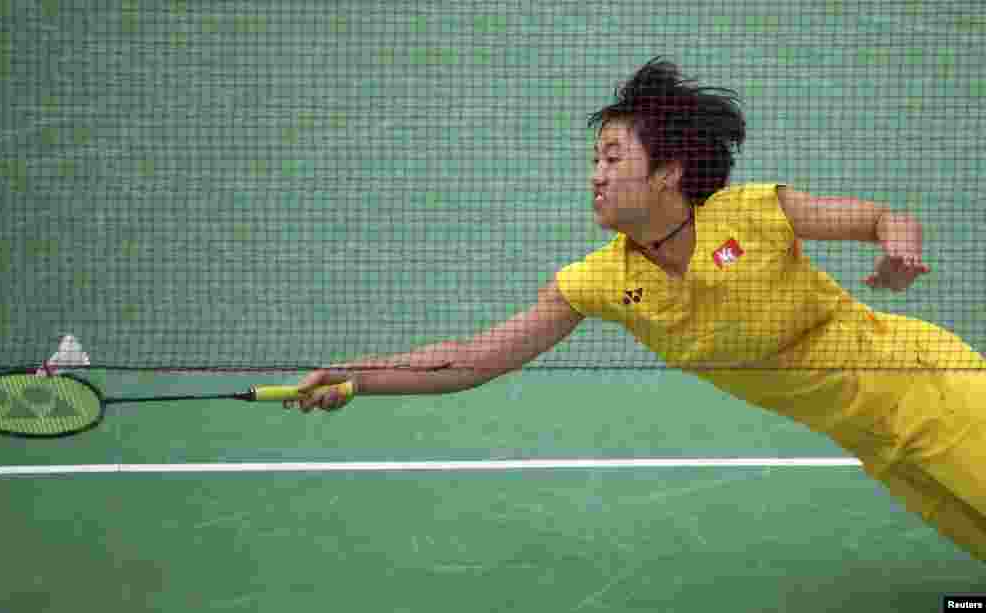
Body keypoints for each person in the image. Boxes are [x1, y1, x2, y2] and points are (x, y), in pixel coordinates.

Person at [285, 56, 986, 562]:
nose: (594, 173)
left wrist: (899, 252)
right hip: (877, 444)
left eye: (612, 157)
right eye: (594, 159)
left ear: (669, 172)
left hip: (933, 391)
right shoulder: (600, 281)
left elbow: (884, 218)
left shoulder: (755, 214)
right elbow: (474, 358)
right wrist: (360, 374)